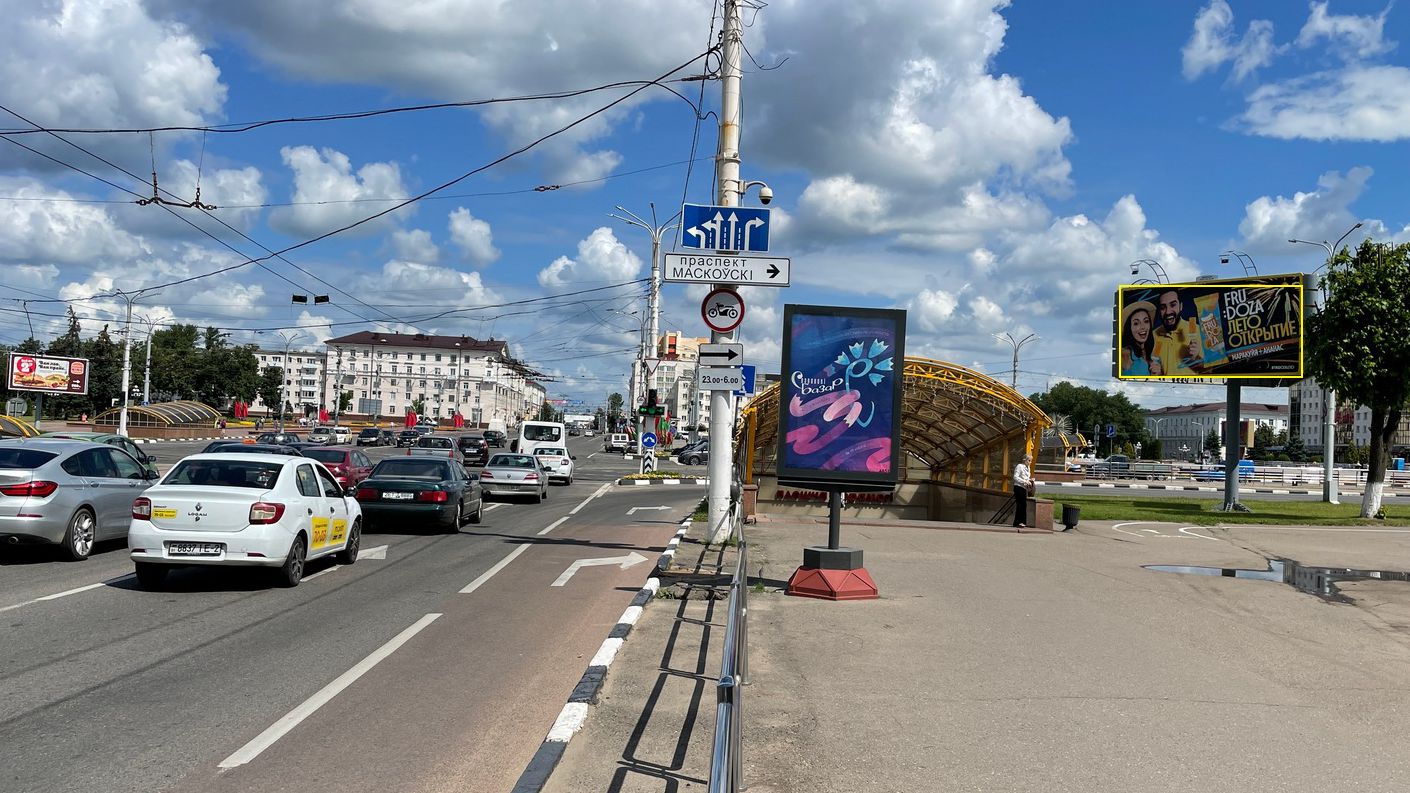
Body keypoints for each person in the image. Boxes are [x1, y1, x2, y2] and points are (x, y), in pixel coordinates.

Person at [1153, 289, 1202, 376]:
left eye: (1173, 305)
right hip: (1167, 388)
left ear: (1181, 306)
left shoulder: (1199, 331)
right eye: (1163, 307)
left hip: (1194, 387)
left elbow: (1210, 370)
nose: (1168, 312)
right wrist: (1157, 374)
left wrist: (1195, 359)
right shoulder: (1153, 336)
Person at [1119, 300, 1163, 376]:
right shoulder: (1124, 355)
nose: (1143, 327)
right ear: (1130, 328)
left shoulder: (1156, 357)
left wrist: (1158, 375)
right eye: (1136, 323)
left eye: (1146, 321)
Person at [1012, 453, 1033, 529]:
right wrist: (1024, 481)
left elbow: (1026, 477)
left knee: (1023, 505)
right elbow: (1015, 477)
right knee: (1020, 504)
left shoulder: (1028, 467)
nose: (1030, 462)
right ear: (1025, 460)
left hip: (1024, 488)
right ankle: (1019, 522)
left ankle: (1021, 522)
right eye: (1029, 460)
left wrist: (1029, 480)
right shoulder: (1019, 466)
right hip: (1018, 487)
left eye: (1031, 461)